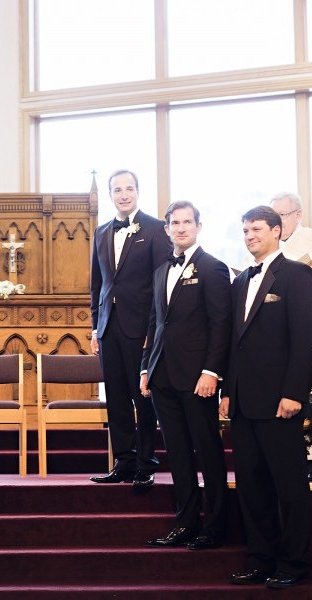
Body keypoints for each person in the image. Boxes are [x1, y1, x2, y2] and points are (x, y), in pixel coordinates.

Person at [220, 206, 312, 589]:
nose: (250, 236)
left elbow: (306, 339)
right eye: (245, 230)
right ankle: (260, 559)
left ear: (276, 231)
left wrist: (294, 393)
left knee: (289, 487)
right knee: (251, 486)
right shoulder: (240, 281)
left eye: (257, 229)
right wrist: (228, 391)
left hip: (280, 402)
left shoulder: (298, 275)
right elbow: (234, 342)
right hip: (243, 402)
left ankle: (292, 563)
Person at [140, 201, 231, 550]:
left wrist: (211, 372)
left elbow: (220, 324)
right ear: (166, 229)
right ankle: (186, 523)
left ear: (198, 226)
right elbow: (154, 323)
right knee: (177, 453)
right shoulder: (161, 270)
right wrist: (146, 367)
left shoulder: (212, 267)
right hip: (162, 376)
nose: (181, 228)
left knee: (207, 452)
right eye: (175, 223)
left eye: (187, 222)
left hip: (197, 379)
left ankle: (216, 527)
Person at [90, 169, 172, 487]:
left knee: (142, 396)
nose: (123, 195)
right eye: (117, 190)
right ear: (110, 194)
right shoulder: (100, 232)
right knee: (116, 396)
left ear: (138, 191)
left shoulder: (155, 229)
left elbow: (161, 284)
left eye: (129, 189)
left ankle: (146, 463)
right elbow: (97, 285)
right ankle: (123, 461)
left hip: (142, 327)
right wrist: (95, 328)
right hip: (108, 327)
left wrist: (155, 330)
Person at [270, 191, 312, 272]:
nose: (276, 221)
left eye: (282, 215)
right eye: (272, 216)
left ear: (298, 215)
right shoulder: (268, 243)